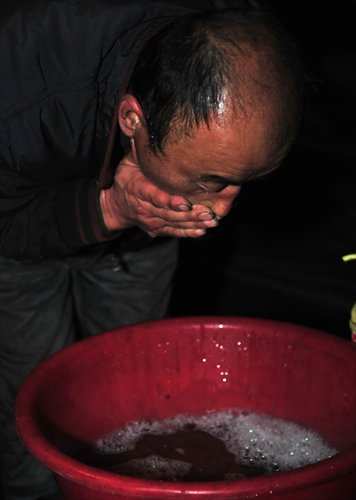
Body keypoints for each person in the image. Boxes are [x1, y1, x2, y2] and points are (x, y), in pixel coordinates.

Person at [0, 0, 307, 498]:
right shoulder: (21, 96)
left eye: (241, 183)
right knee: (29, 392)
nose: (223, 209)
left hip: (138, 229)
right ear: (132, 120)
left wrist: (145, 202)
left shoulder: (230, 27)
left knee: (135, 385)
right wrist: (111, 209)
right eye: (212, 181)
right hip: (16, 231)